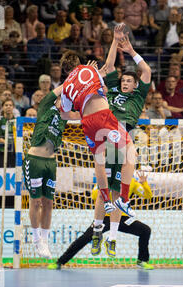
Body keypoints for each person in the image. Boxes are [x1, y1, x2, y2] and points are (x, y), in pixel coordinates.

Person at [59, 25, 140, 256]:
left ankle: (106, 201)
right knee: (130, 151)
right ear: (79, 62)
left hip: (87, 123)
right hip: (104, 118)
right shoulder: (88, 70)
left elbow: (65, 114)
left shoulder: (66, 86)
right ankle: (123, 200)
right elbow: (108, 66)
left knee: (99, 162)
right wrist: (115, 40)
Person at [83, 32, 152, 258]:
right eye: (123, 80)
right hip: (107, 136)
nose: (124, 83)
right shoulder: (111, 91)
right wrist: (114, 41)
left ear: (135, 85)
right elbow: (109, 64)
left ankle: (111, 238)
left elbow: (147, 72)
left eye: (129, 81)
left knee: (115, 193)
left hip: (123, 138)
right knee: (104, 195)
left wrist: (131, 50)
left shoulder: (138, 96)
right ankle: (96, 232)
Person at [47, 170, 154, 270]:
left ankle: (142, 260)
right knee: (86, 237)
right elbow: (95, 196)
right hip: (105, 218)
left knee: (145, 230)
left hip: (122, 218)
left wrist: (144, 183)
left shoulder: (131, 182)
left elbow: (148, 195)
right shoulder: (105, 180)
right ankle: (60, 262)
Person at [22, 84, 65, 259]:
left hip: (50, 163)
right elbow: (61, 88)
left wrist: (96, 78)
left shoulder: (65, 116)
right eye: (63, 98)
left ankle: (44, 242)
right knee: (36, 202)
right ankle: (35, 238)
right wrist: (76, 76)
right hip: (35, 160)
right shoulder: (47, 106)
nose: (66, 102)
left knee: (48, 203)